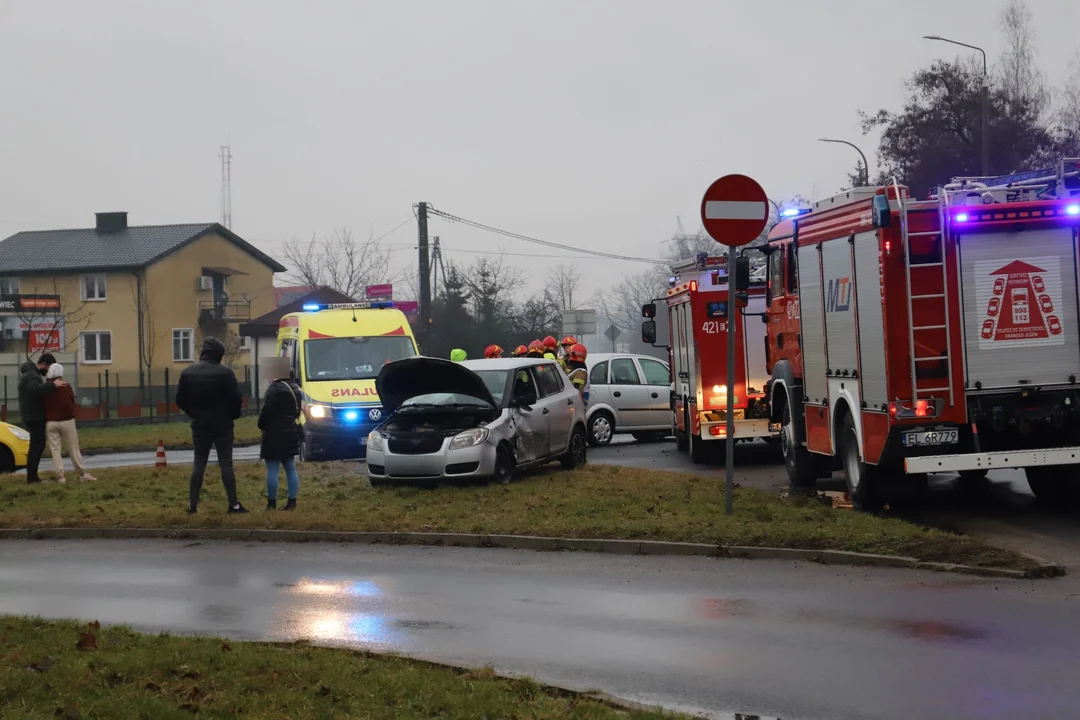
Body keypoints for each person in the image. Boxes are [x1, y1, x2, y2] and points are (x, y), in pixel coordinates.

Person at [176, 337, 247, 514]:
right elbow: (236, 400)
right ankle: (234, 504)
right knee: (226, 465)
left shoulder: (187, 373)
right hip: (223, 425)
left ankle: (192, 505)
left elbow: (180, 400)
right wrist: (232, 416)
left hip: (200, 425)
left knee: (199, 464)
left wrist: (194, 414)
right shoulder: (226, 373)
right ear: (218, 355)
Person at [258, 357, 303, 511]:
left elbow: (266, 413)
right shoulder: (295, 388)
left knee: (272, 469)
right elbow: (297, 412)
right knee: (290, 467)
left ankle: (271, 503)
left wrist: (261, 424)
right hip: (290, 432)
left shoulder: (273, 389)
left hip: (273, 435)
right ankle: (292, 501)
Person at [43, 363, 95, 483]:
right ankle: (82, 473)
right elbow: (71, 400)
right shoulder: (66, 386)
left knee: (55, 449)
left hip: (51, 422)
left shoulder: (45, 388)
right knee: (73, 448)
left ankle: (60, 476)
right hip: (67, 421)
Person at [17, 353, 62, 485]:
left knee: (37, 445)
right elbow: (34, 390)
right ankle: (32, 478)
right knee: (37, 445)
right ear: (43, 364)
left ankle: (32, 477)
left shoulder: (30, 374)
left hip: (31, 415)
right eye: (48, 368)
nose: (47, 372)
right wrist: (53, 385)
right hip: (34, 416)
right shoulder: (32, 375)